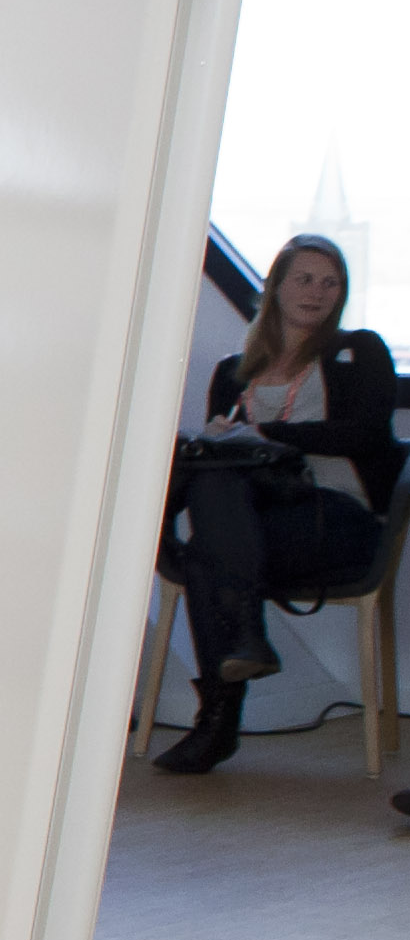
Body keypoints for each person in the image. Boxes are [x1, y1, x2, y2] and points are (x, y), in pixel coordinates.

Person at [158, 232, 393, 777]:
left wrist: (267, 433)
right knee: (216, 487)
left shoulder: (358, 351)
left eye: (330, 282)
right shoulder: (233, 370)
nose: (318, 291)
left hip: (337, 518)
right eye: (305, 279)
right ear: (275, 286)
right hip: (257, 525)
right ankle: (244, 638)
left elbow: (367, 435)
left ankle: (217, 720)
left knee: (206, 556)